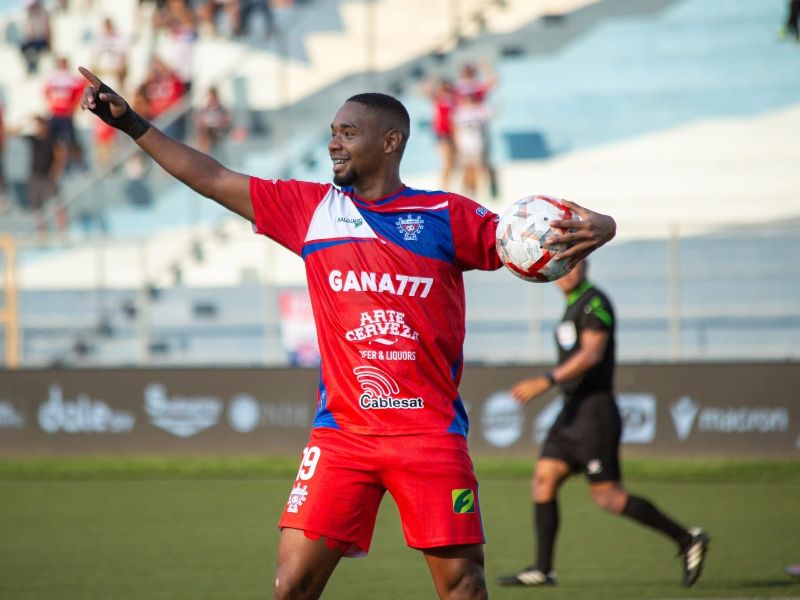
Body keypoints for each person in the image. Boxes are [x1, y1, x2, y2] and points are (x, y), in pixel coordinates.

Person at [78, 64, 616, 599]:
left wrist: (605, 226)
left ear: (390, 141)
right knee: (291, 587)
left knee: (462, 587)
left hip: (428, 437)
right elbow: (213, 178)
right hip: (341, 438)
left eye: (347, 132)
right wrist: (133, 126)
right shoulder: (312, 211)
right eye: (333, 131)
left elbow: (525, 239)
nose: (334, 142)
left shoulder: (444, 215)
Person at [496, 259, 710, 589]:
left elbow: (592, 354)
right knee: (544, 477)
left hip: (594, 413)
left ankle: (686, 538)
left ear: (586, 266)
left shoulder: (595, 301)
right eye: (561, 266)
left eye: (574, 264)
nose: (568, 271)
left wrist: (546, 380)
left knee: (609, 497)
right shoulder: (571, 305)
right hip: (571, 412)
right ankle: (542, 569)